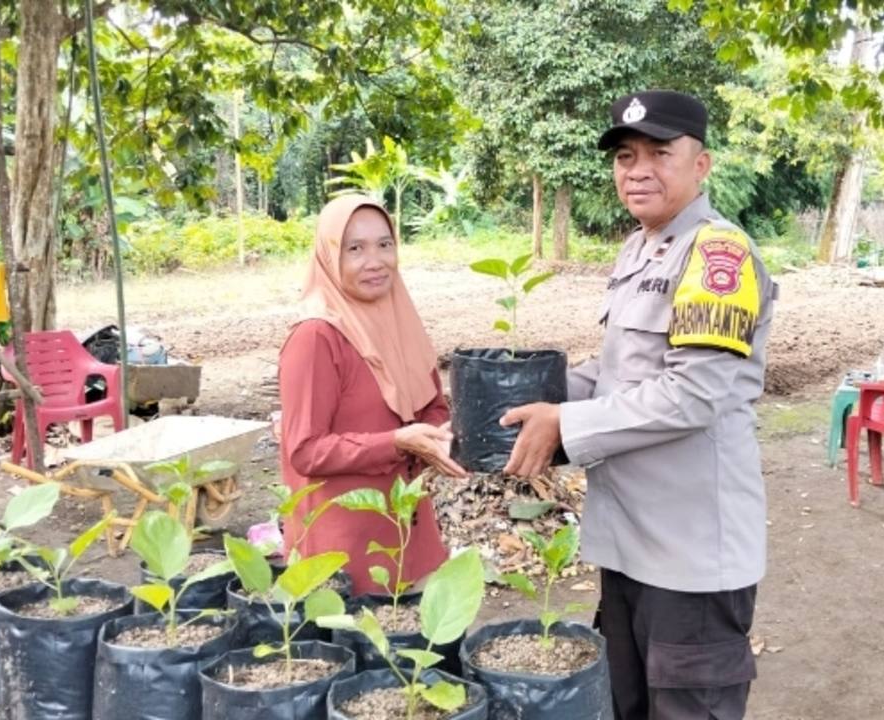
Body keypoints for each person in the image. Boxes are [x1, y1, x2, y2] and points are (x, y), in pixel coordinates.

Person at [501, 90, 776, 719]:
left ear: (701, 164)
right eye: (626, 156)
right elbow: (622, 373)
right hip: (628, 543)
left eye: (659, 152)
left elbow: (695, 393)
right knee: (625, 707)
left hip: (690, 554)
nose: (638, 169)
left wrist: (564, 424)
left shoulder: (717, 256)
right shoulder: (641, 248)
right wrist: (534, 393)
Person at [277, 194, 466, 596]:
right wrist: (397, 442)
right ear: (330, 257)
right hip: (345, 550)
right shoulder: (315, 336)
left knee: (427, 648)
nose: (375, 260)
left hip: (411, 529)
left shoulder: (400, 319)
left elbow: (430, 404)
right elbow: (306, 451)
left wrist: (436, 437)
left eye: (385, 244)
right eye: (355, 249)